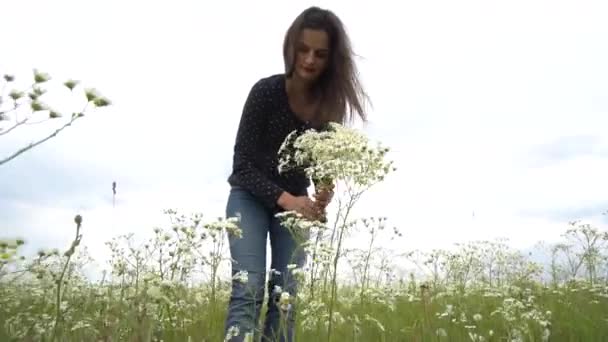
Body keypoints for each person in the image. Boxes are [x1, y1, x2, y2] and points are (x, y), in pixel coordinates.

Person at [223, 6, 369, 342]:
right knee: (249, 289)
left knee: (285, 299)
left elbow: (322, 167)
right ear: (291, 48)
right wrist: (289, 200)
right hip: (250, 198)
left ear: (331, 59)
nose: (309, 60)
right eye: (303, 50)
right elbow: (241, 166)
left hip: (295, 206)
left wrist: (324, 190)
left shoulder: (330, 107)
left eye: (320, 54)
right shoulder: (265, 92)